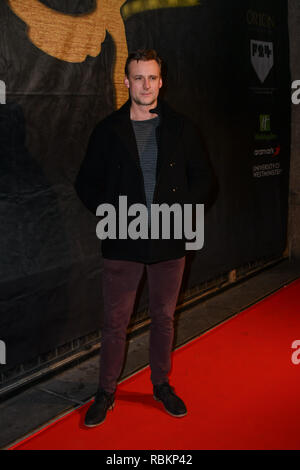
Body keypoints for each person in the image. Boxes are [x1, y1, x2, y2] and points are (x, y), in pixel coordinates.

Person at [74, 49, 214, 427]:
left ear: (161, 81)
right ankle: (105, 391)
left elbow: (204, 179)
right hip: (123, 243)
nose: (146, 85)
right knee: (115, 322)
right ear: (126, 82)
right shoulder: (107, 130)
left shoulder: (182, 128)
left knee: (164, 318)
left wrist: (181, 214)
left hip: (170, 243)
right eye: (138, 78)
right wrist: (114, 217)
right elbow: (85, 183)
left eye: (152, 77)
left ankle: (161, 384)